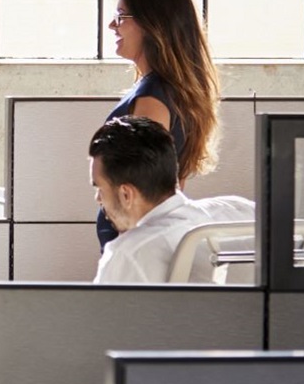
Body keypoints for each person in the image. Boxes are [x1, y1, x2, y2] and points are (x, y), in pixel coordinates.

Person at [99, 0, 222, 248]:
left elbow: (142, 195)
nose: (112, 25)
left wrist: (127, 255)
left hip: (133, 250)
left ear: (152, 25)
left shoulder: (152, 99)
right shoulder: (168, 92)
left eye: (121, 16)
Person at [90, 117, 217, 284]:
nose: (98, 198)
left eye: (99, 188)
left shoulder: (129, 254)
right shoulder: (237, 209)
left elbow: (102, 310)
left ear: (126, 195)